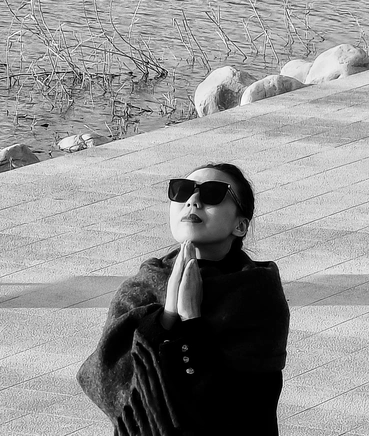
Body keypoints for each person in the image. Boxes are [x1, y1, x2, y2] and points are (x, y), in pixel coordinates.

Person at [77, 163, 290, 436]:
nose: (193, 200)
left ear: (240, 225)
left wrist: (192, 322)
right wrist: (165, 317)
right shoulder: (142, 287)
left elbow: (240, 408)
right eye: (182, 190)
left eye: (212, 193)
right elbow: (104, 378)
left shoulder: (257, 293)